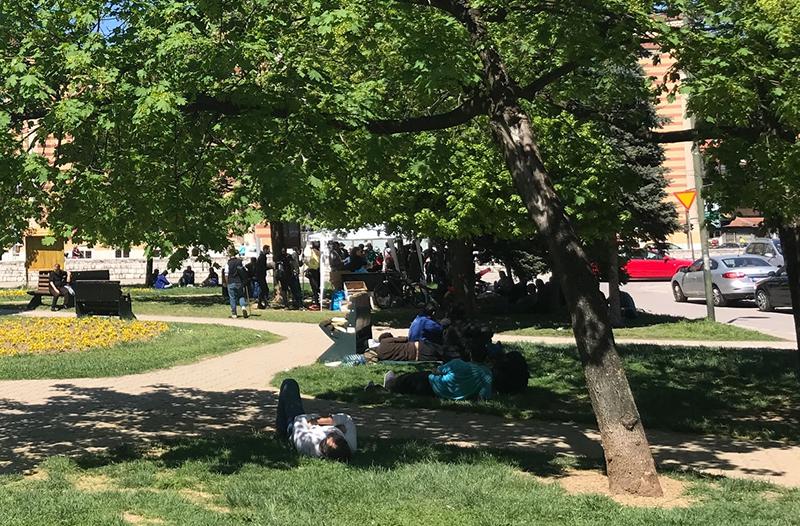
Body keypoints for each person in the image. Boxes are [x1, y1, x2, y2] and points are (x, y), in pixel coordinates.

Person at [382, 350, 529, 401]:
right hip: (437, 394)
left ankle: (390, 384)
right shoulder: (487, 378)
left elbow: (438, 371)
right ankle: (392, 384)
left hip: (430, 382)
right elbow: (483, 397)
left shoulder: (457, 363)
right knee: (411, 384)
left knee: (409, 380)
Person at [275, 378, 356, 462]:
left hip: (296, 426)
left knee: (289, 385)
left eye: (330, 436)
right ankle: (280, 429)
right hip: (311, 423)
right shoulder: (351, 446)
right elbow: (347, 419)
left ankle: (281, 431)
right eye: (337, 435)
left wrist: (313, 421)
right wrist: (321, 421)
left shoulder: (307, 444)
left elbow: (299, 420)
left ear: (323, 447)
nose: (333, 432)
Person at [226, 249, 249, 318]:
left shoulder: (228, 263)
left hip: (231, 281)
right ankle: (243, 307)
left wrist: (227, 283)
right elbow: (244, 270)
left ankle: (234, 313)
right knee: (241, 295)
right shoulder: (240, 262)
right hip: (239, 281)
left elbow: (226, 274)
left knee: (232, 297)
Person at [304, 241, 321, 310]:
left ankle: (316, 302)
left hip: (313, 271)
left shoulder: (313, 253)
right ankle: (316, 301)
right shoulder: (319, 253)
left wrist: (307, 264)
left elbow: (314, 264)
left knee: (315, 287)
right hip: (316, 271)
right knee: (316, 287)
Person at [255, 245, 273, 309]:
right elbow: (262, 267)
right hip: (260, 276)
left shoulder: (262, 256)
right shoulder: (262, 257)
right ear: (265, 249)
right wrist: (270, 267)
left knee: (264, 290)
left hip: (261, 276)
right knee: (265, 290)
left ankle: (261, 303)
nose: (269, 251)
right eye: (268, 249)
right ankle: (263, 303)